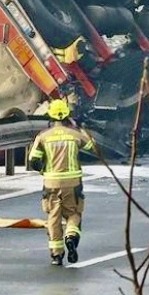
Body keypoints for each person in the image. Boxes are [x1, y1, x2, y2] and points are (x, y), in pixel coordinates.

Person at [27, 99, 96, 266]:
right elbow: (92, 147)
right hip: (73, 183)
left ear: (50, 116)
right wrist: (81, 128)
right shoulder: (74, 134)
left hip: (51, 183)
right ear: (68, 115)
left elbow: (33, 160)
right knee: (74, 213)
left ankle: (56, 255)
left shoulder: (43, 136)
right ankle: (71, 236)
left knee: (53, 217)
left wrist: (43, 171)